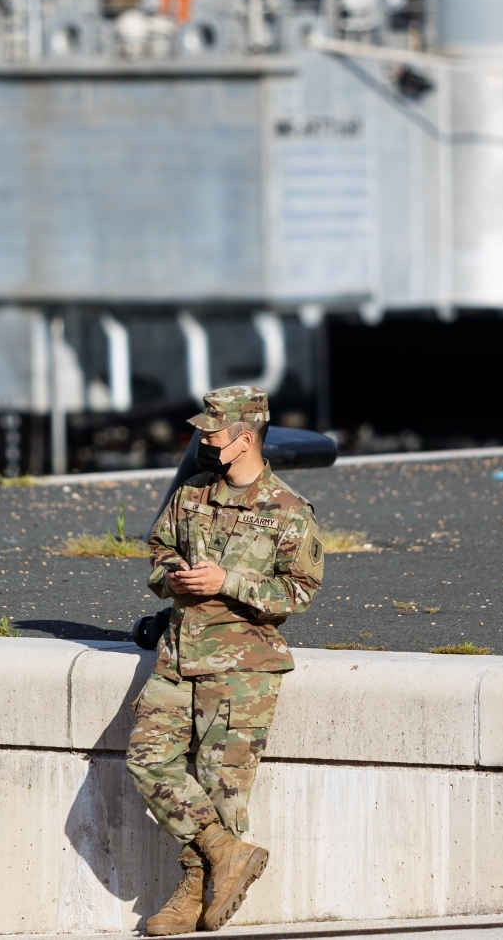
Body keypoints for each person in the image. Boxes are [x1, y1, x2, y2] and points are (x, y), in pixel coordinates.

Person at [126, 386, 324, 935]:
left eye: (213, 431)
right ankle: (224, 853)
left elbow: (301, 591)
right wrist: (173, 577)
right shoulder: (192, 494)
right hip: (178, 653)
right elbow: (160, 550)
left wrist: (227, 581)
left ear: (245, 437)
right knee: (147, 759)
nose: (204, 438)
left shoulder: (289, 510)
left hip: (243, 669)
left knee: (221, 786)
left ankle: (193, 891)